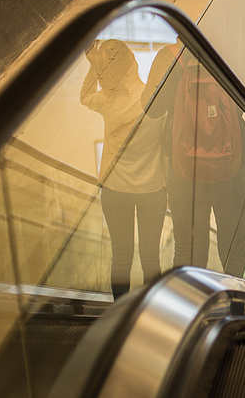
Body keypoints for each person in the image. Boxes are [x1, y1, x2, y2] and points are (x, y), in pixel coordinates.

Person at [142, 39, 245, 278]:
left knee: (188, 249)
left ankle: (189, 309)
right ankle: (234, 309)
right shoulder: (233, 51)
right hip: (231, 168)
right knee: (233, 250)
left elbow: (151, 109)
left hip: (185, 172)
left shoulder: (168, 57)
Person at [81, 39, 166, 299]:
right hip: (152, 190)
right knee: (150, 256)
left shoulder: (106, 100)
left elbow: (84, 96)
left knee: (121, 255)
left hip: (114, 190)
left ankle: (120, 311)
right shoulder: (154, 100)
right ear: (133, 61)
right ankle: (154, 309)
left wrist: (94, 65)